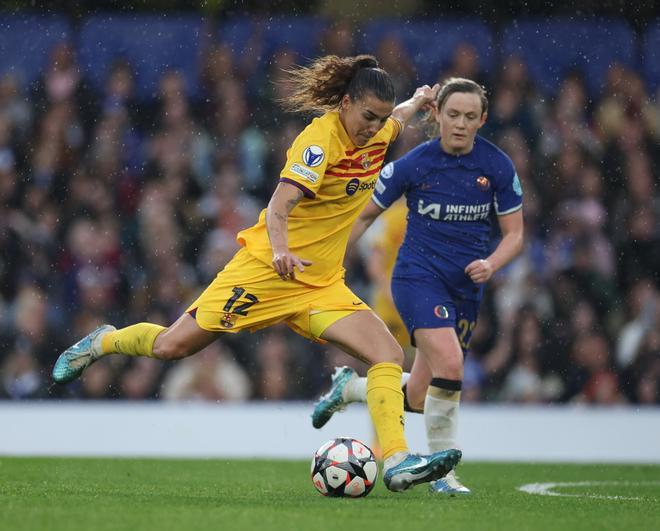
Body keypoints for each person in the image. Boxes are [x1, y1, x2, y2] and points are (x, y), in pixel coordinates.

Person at [52, 55, 461, 492]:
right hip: (268, 271)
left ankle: (396, 459)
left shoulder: (381, 127)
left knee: (389, 354)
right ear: (345, 103)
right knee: (173, 346)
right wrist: (282, 252)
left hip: (320, 285)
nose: (373, 126)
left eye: (380, 118)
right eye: (366, 116)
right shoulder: (318, 142)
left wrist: (419, 100)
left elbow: (397, 117)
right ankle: (104, 341)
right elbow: (281, 205)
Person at [312, 77, 524, 495]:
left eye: (469, 117)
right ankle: (443, 475)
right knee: (451, 364)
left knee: (421, 393)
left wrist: (491, 263)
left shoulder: (497, 166)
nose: (459, 124)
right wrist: (327, 257)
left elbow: (515, 235)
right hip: (416, 279)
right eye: (452, 115)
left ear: (482, 119)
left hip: (466, 288)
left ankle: (350, 388)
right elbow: (364, 216)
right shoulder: (414, 164)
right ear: (437, 115)